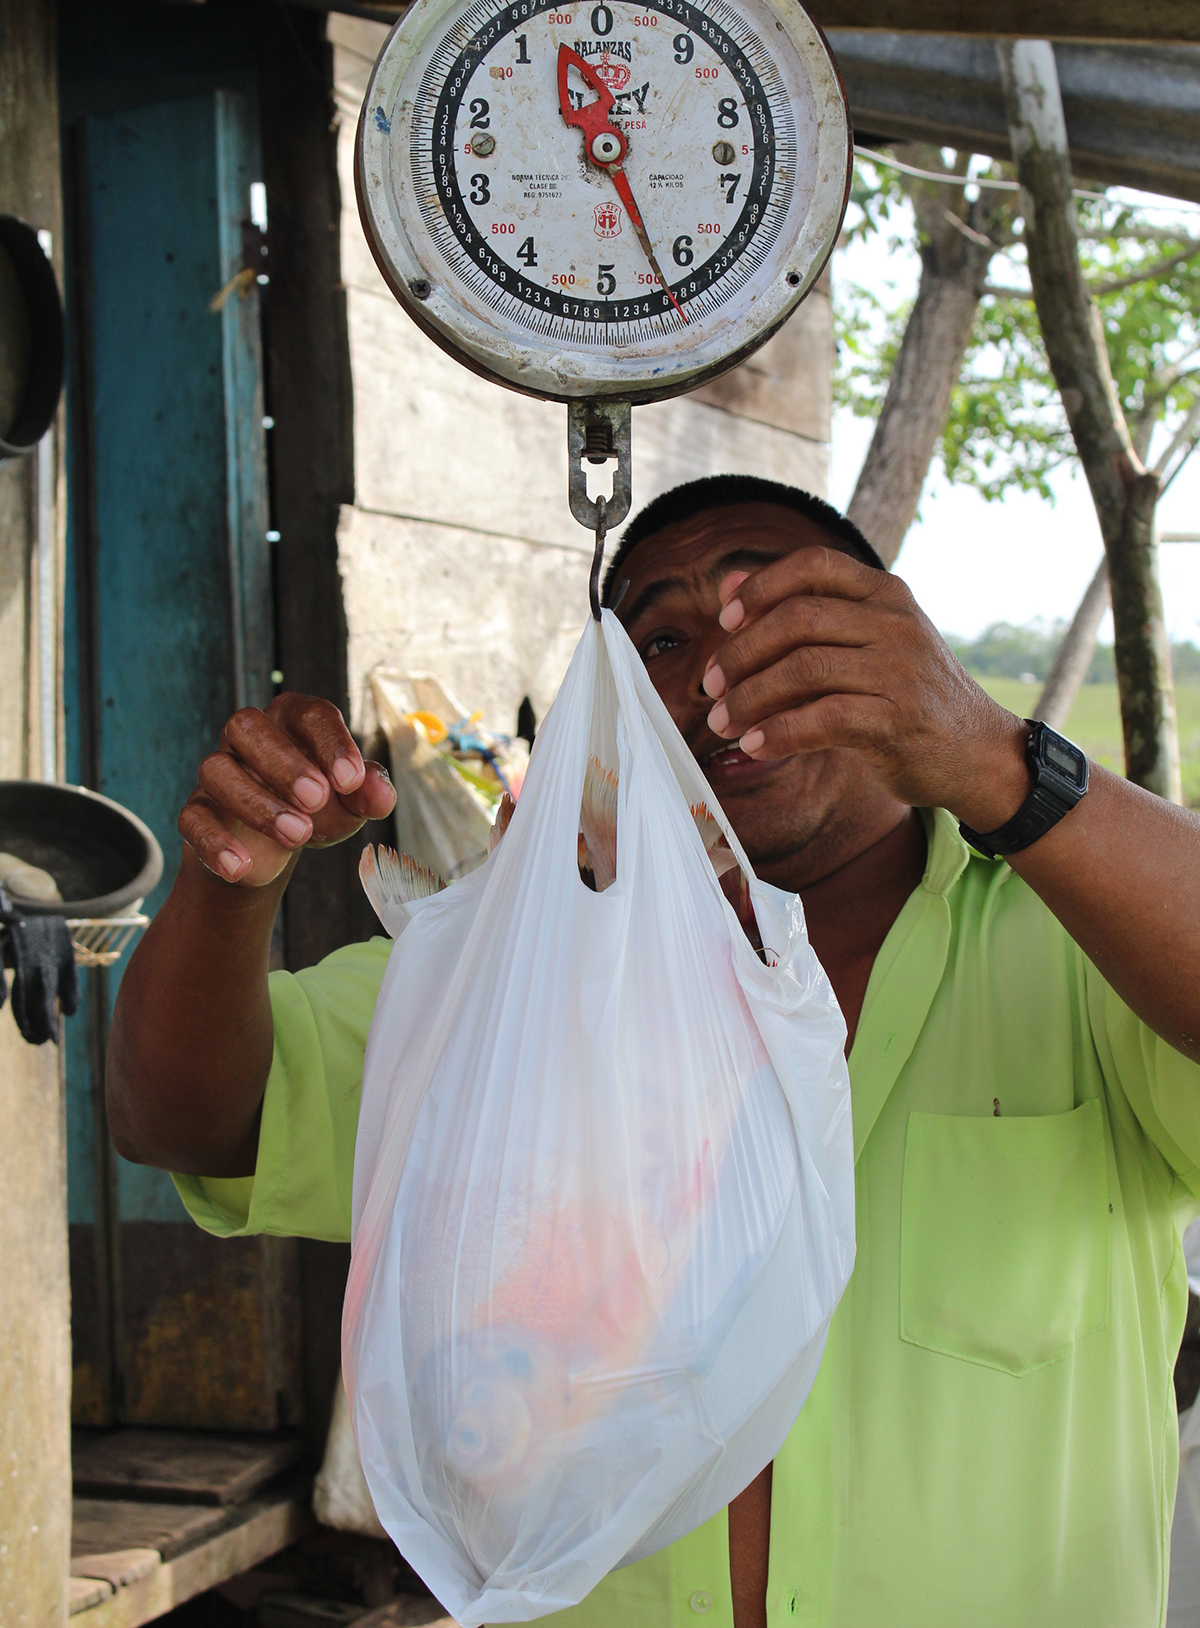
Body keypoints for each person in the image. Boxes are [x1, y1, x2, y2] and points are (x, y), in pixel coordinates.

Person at [109, 475, 1200, 1628]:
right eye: (666, 636)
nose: (722, 671)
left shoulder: (1083, 951)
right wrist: (235, 886)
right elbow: (186, 1120)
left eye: (776, 612)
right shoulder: (513, 987)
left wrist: (995, 758)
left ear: (894, 644)